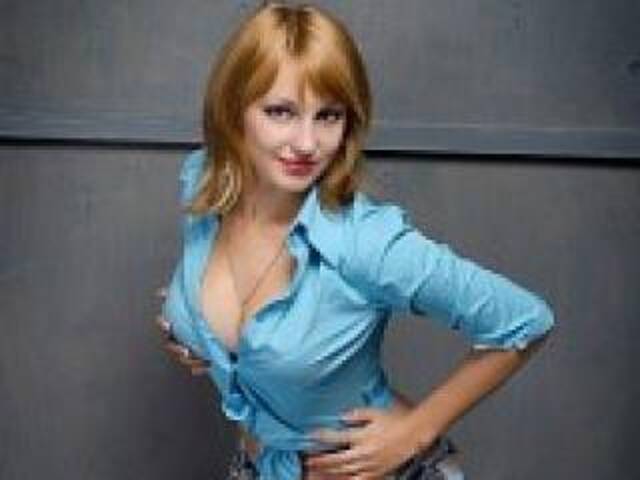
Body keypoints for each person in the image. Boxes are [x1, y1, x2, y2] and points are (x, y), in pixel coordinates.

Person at [155, 2, 555, 479]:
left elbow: (525, 321)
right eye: (281, 112)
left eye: (328, 116)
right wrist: (193, 327)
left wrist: (413, 433)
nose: (307, 143)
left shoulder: (366, 241)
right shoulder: (204, 183)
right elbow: (222, 301)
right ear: (232, 109)